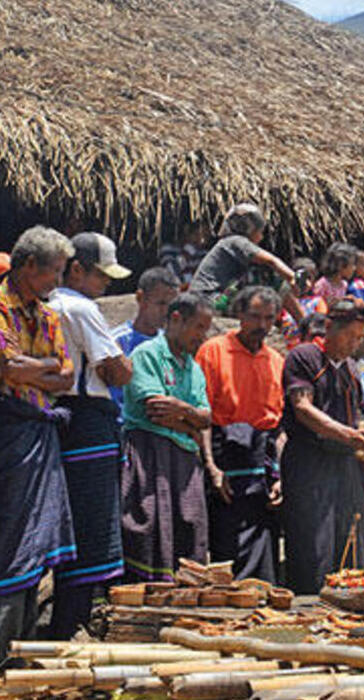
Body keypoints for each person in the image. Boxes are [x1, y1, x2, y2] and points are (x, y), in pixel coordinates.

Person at [46, 233, 133, 638]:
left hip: (54, 421)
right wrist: (125, 366)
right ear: (76, 269)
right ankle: (71, 627)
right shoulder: (80, 308)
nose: (106, 285)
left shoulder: (41, 306)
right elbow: (115, 371)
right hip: (89, 423)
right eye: (101, 275)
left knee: (62, 529)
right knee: (92, 528)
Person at [0, 227, 77, 651]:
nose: (58, 282)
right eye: (55, 272)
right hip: (10, 431)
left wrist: (36, 366)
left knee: (32, 536)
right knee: (13, 534)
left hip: (37, 429)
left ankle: (22, 642)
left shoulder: (47, 314)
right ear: (29, 266)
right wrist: (39, 368)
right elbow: (9, 370)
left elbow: (67, 377)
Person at [280, 297, 364, 594]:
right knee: (314, 546)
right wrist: (348, 436)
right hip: (310, 464)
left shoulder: (351, 370)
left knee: (351, 547)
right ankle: (308, 614)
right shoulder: (303, 357)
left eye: (360, 338)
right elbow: (302, 408)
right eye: (350, 335)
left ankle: (347, 613)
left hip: (346, 466)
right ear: (328, 327)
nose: (355, 343)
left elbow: (355, 425)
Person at [121, 293, 214, 582]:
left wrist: (184, 412)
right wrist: (191, 423)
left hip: (184, 460)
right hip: (150, 454)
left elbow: (207, 418)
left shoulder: (194, 367)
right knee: (148, 524)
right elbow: (156, 410)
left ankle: (183, 600)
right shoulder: (147, 354)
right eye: (198, 327)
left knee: (189, 526)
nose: (202, 336)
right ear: (176, 319)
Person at [196, 287, 285, 583]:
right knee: (226, 535)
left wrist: (280, 474)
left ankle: (262, 603)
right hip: (226, 451)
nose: (262, 325)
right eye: (255, 317)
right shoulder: (213, 351)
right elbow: (202, 414)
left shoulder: (276, 361)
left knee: (265, 532)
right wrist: (211, 466)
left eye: (269, 318)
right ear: (239, 315)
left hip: (263, 455)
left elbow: (279, 426)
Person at [188, 203, 300, 318]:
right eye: (260, 231)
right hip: (210, 301)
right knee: (273, 279)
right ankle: (303, 322)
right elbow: (271, 261)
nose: (261, 237)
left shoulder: (228, 244)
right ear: (250, 228)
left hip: (207, 300)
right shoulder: (236, 241)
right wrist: (293, 278)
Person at [110, 267, 180, 413]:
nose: (166, 311)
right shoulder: (117, 340)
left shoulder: (171, 345)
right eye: (161, 303)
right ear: (140, 298)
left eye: (171, 306)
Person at [159, 222, 208, 288]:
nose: (203, 240)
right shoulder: (169, 251)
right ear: (187, 232)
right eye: (197, 234)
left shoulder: (204, 254)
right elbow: (174, 274)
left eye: (206, 235)